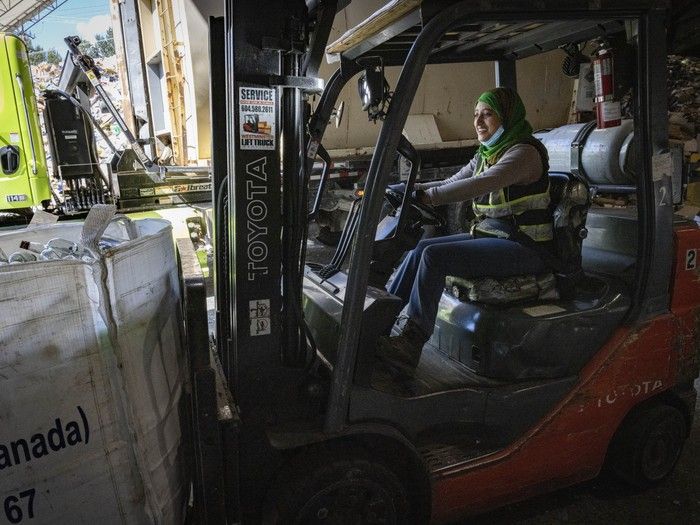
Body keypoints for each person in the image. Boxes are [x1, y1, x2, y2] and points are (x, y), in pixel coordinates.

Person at [378, 86, 553, 377]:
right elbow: (453, 181)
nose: (478, 121)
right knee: (421, 248)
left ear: (507, 117)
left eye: (488, 114)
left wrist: (428, 197)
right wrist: (406, 189)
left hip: (527, 248)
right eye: (476, 115)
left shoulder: (523, 153)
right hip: (494, 237)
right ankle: (378, 323)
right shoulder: (486, 153)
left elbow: (479, 184)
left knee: (434, 256)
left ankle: (410, 344)